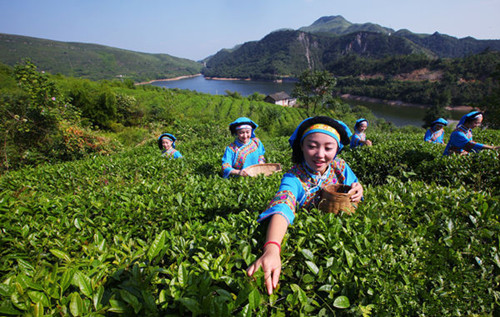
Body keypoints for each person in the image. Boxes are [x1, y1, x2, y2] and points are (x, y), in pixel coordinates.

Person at [246, 116, 364, 295]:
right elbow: (283, 205)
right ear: (301, 146)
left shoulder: (340, 166)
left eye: (328, 147)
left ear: (337, 148)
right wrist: (271, 248)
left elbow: (355, 185)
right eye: (312, 146)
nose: (320, 154)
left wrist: (359, 188)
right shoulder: (294, 177)